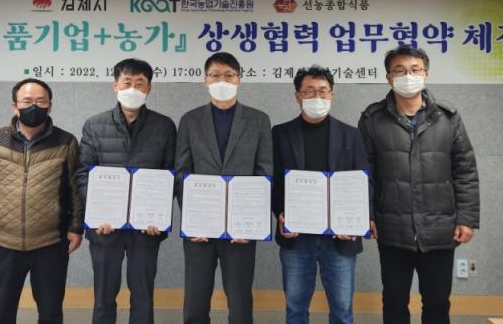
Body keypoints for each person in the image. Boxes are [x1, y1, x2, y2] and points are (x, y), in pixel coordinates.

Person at [358, 45, 480, 324]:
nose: (408, 76)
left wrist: (467, 218)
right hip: (392, 228)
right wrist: (367, 215)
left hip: (440, 229)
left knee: (437, 304)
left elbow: (465, 170)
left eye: (415, 70)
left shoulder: (448, 117)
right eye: (399, 70)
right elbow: (364, 173)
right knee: (394, 303)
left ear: (426, 74)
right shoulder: (372, 119)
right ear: (388, 77)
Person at [0, 78, 84, 324]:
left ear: (50, 106)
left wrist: (76, 227)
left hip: (51, 243)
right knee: (0, 314)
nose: (34, 106)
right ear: (15, 106)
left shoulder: (66, 142)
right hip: (4, 243)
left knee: (51, 314)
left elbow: (76, 189)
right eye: (27, 101)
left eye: (40, 101)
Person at [76, 58, 176, 324]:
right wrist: (97, 212)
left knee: (143, 296)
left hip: (146, 229)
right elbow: (83, 173)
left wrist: (158, 216)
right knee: (104, 296)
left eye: (139, 83)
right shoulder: (94, 125)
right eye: (127, 82)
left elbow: (170, 175)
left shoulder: (164, 126)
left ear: (149, 88)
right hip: (104, 228)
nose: (133, 89)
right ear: (115, 86)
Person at [175, 51, 273, 324]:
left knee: (240, 301)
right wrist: (193, 219)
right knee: (195, 300)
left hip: (241, 228)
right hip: (200, 228)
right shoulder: (190, 120)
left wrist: (251, 223)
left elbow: (264, 172)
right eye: (215, 75)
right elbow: (182, 173)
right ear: (205, 80)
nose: (222, 81)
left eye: (229, 75)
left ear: (239, 79)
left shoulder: (258, 120)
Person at [272, 66, 370, 324]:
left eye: (323, 91)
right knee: (295, 308)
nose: (317, 97)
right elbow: (273, 182)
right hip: (296, 236)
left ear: (332, 95)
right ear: (298, 96)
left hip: (339, 237)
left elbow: (363, 183)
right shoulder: (280, 134)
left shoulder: (351, 134)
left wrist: (357, 221)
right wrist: (279, 213)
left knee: (342, 310)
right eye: (309, 91)